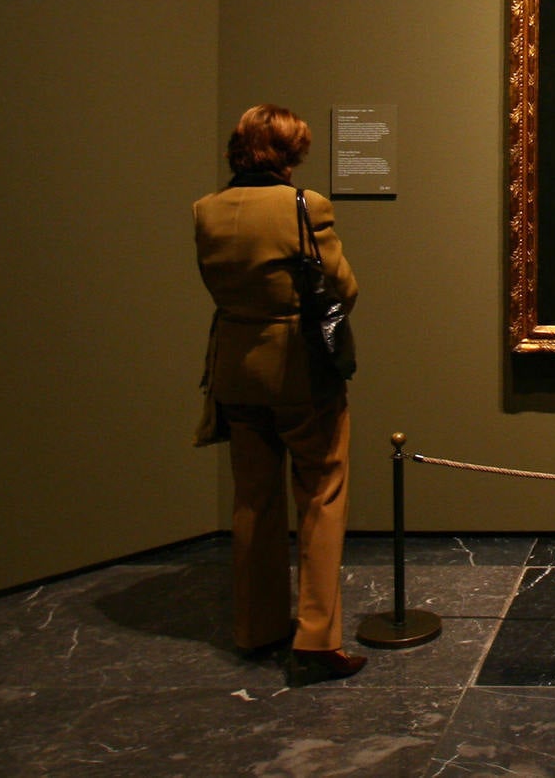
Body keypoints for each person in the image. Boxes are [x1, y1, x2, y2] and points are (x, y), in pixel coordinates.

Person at [193, 104, 364, 686]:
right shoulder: (302, 206)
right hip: (297, 370)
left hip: (235, 372)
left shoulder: (208, 211)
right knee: (320, 494)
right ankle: (316, 639)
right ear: (287, 153)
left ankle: (256, 627)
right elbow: (342, 285)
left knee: (253, 501)